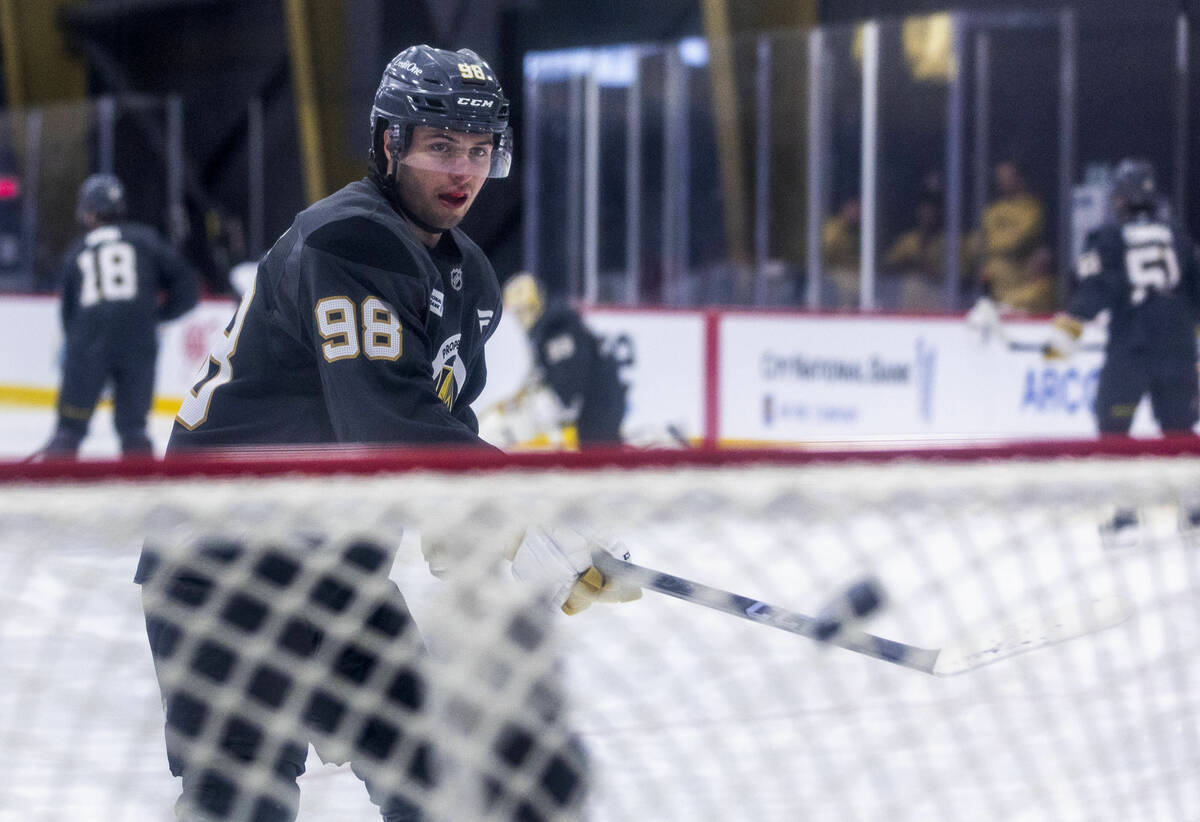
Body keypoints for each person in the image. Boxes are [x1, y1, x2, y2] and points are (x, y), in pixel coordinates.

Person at [134, 45, 631, 822]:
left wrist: (493, 537)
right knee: (241, 799)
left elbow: (439, 428)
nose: (462, 170)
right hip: (221, 562)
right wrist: (518, 513)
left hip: (336, 570)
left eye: (478, 149)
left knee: (438, 782)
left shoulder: (468, 281)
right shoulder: (348, 243)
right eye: (440, 146)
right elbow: (387, 422)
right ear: (391, 144)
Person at [40, 173, 199, 459]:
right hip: (138, 342)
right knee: (134, 430)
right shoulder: (145, 239)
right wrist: (158, 316)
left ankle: (48, 489)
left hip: (88, 343)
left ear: (88, 212)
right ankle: (144, 495)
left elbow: (69, 313)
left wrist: (77, 349)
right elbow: (188, 286)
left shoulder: (77, 251)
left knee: (69, 430)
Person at [1043, 158, 1200, 437]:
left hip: (1132, 350)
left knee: (1113, 432)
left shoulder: (1106, 237)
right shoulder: (1179, 236)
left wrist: (1066, 332)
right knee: (1180, 436)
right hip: (1179, 353)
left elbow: (1094, 292)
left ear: (1119, 199)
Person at [484, 272, 626, 449]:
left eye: (524, 310)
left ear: (536, 305)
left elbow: (568, 381)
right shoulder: (548, 328)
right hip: (594, 409)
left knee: (527, 418)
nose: (521, 318)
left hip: (595, 415)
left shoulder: (558, 329)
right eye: (517, 313)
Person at [970, 159, 1055, 314]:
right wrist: (997, 241)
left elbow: (1017, 241)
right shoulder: (992, 210)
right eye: (1000, 178)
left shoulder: (1031, 208)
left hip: (1021, 287)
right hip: (992, 291)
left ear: (1019, 179)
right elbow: (975, 244)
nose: (1002, 182)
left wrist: (990, 242)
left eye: (1007, 177)